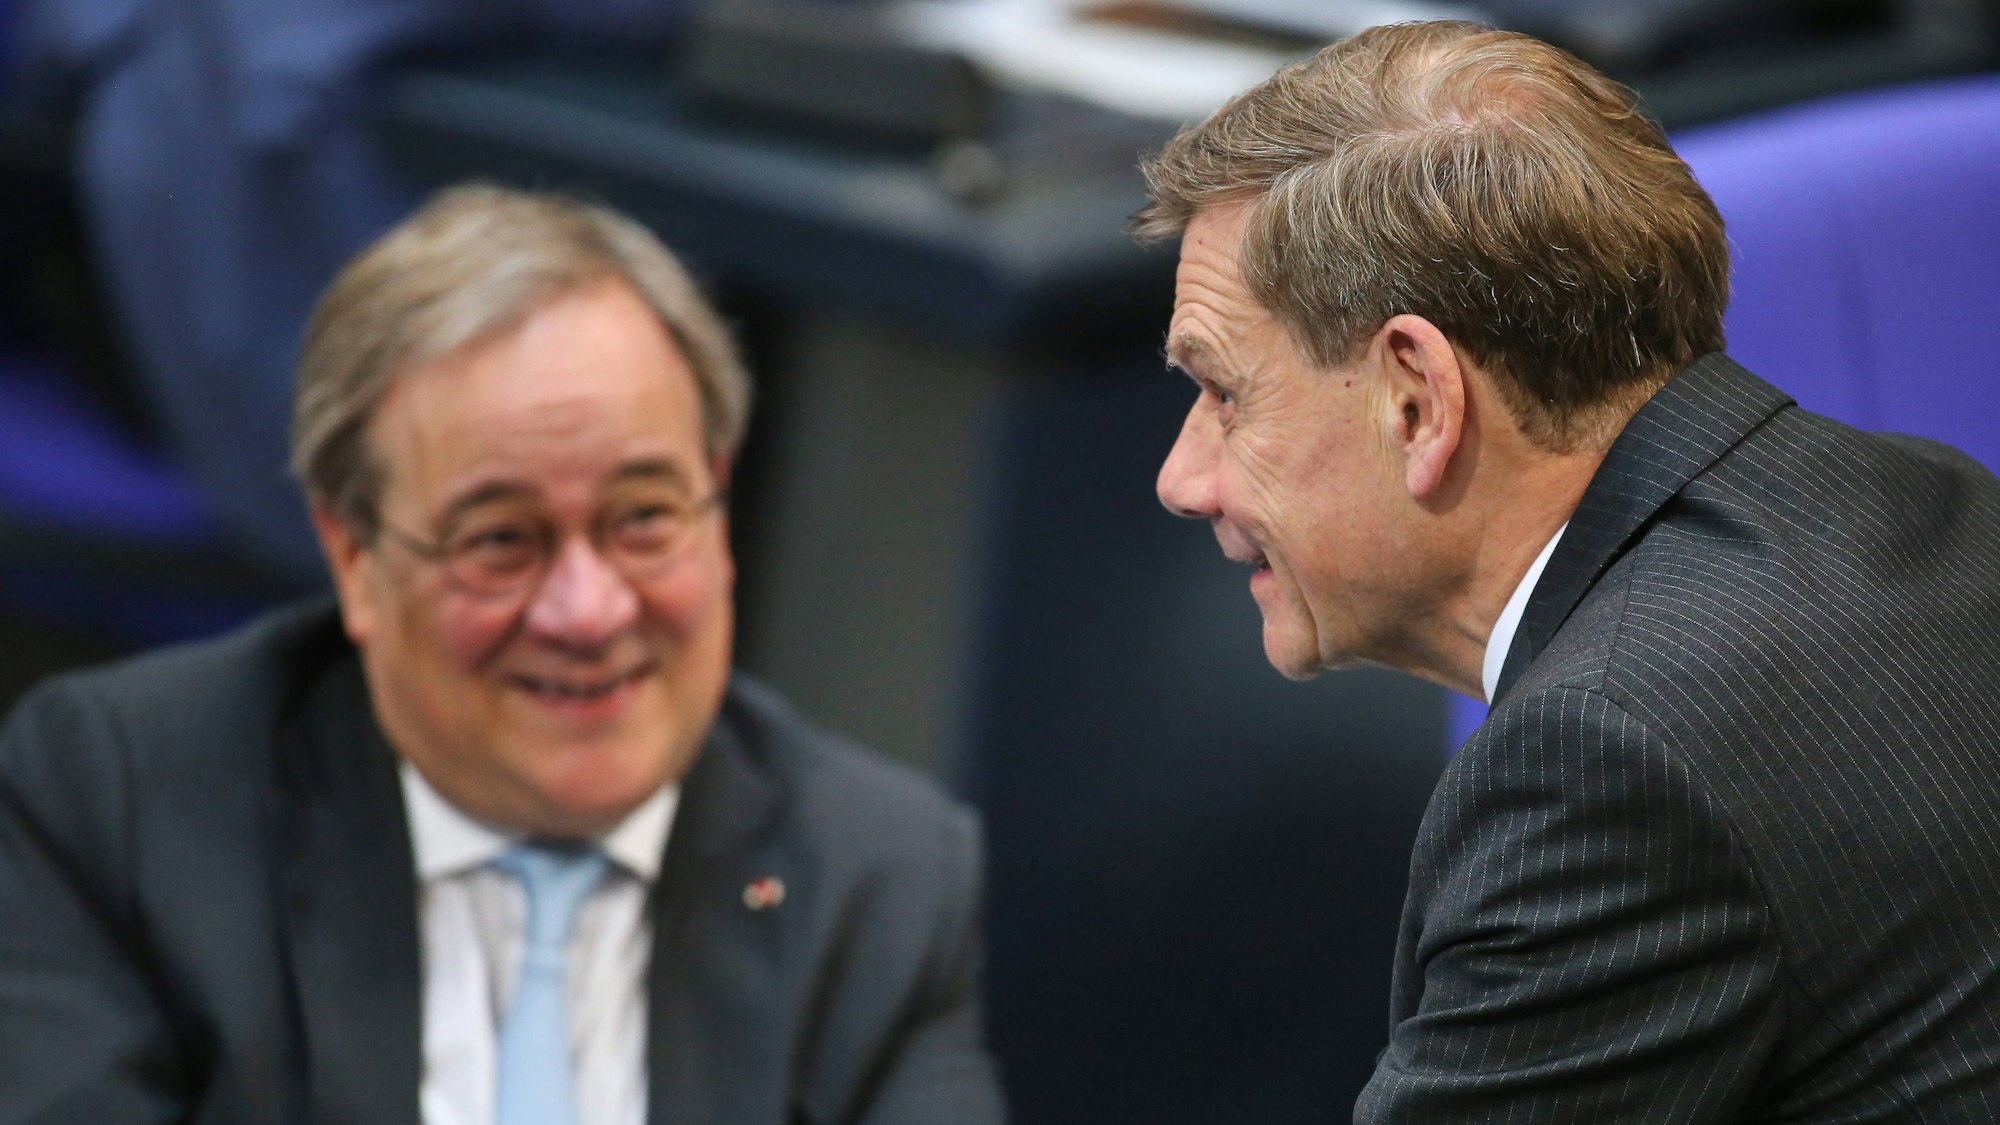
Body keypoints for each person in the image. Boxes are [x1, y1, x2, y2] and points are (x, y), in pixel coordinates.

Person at [1137, 19, 2000, 1122]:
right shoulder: (1933, 496)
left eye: (1222, 393)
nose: (1181, 478)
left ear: (1416, 400)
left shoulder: (1602, 767)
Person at [0, 185, 1007, 1124]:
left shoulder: (879, 874)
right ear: (354, 558)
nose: (588, 609)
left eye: (644, 519)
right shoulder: (119, 801)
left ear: (718, 502)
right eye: (500, 542)